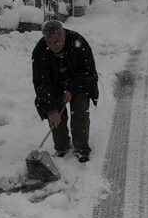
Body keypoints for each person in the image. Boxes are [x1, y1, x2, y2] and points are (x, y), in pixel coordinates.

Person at [32, 20, 99, 163]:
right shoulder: (40, 52)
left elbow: (89, 72)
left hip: (79, 83)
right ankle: (61, 146)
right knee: (55, 117)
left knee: (79, 112)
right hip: (55, 87)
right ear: (45, 40)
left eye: (59, 41)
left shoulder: (77, 41)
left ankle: (81, 148)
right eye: (50, 42)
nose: (55, 45)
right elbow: (41, 83)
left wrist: (72, 89)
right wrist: (51, 110)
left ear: (64, 34)